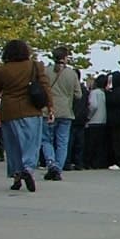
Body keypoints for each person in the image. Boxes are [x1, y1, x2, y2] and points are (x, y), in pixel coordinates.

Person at [0, 39, 54, 192]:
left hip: (8, 111)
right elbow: (45, 87)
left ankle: (17, 175)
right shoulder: (35, 66)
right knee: (31, 144)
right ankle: (28, 169)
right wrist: (50, 107)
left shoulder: (2, 70)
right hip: (31, 109)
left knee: (13, 146)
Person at [41, 46, 80, 180]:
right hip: (65, 111)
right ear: (65, 57)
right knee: (62, 141)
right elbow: (78, 94)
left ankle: (50, 162)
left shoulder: (46, 72)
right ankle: (58, 168)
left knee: (46, 139)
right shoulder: (72, 74)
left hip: (48, 110)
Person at [85, 74, 110, 169]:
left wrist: (88, 116)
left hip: (93, 121)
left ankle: (89, 163)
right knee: (100, 145)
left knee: (91, 144)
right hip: (103, 120)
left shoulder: (94, 92)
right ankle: (98, 163)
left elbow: (93, 106)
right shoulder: (104, 93)